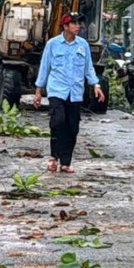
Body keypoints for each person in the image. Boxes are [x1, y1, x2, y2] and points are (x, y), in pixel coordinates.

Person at [33, 12, 105, 173]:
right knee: (58, 121)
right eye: (74, 23)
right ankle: (54, 157)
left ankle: (65, 162)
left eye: (79, 23)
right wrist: (38, 91)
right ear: (65, 26)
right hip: (57, 90)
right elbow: (45, 67)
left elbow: (88, 68)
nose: (78, 26)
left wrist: (96, 85)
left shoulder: (83, 45)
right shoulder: (53, 44)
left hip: (75, 92)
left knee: (72, 127)